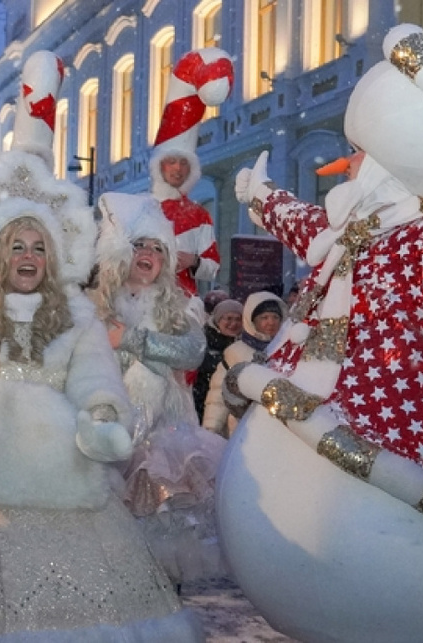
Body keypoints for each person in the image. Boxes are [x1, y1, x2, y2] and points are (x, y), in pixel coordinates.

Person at [220, 24, 423, 642]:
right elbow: (310, 231)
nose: (347, 161)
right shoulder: (361, 230)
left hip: (398, 421)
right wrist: (261, 197)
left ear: (395, 146)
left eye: (358, 149)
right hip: (312, 385)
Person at [0, 150, 200, 641]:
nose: (29, 257)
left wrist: (102, 420)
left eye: (39, 247)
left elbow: (96, 381)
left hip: (70, 479)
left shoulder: (78, 316)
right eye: (17, 246)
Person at [92, 192, 227, 586]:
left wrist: (134, 340)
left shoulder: (179, 304)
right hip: (109, 430)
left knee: (160, 518)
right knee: (111, 523)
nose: (148, 254)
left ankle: (163, 598)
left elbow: (191, 352)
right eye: (140, 245)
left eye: (158, 247)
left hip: (164, 436)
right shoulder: (96, 305)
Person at [148, 48, 233, 296]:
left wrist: (194, 262)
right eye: (171, 162)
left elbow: (213, 266)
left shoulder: (198, 215)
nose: (177, 169)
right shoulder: (138, 207)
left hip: (183, 306)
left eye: (183, 163)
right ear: (160, 166)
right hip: (140, 304)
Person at [201, 291, 285, 437]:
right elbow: (218, 393)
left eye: (275, 317)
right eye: (264, 317)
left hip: (279, 431)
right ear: (252, 320)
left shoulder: (288, 350)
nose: (271, 322)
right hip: (242, 431)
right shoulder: (236, 352)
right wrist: (210, 428)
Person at [193, 297, 242, 422]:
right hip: (204, 407)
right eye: (228, 318)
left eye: (238, 319)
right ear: (217, 320)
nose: (234, 323)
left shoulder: (245, 344)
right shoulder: (203, 341)